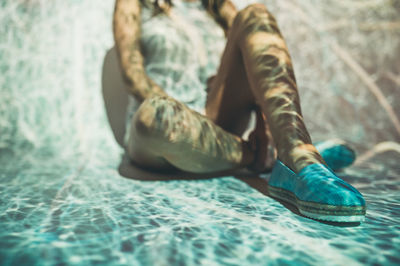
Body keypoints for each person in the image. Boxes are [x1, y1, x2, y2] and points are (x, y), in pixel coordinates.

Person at [112, 0, 366, 222]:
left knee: (256, 16)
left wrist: (265, 126)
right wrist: (185, 123)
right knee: (155, 115)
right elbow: (134, 76)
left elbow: (256, 63)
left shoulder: (217, 5)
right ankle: (261, 159)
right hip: (162, 132)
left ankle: (299, 155)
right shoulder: (135, 3)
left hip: (217, 122)